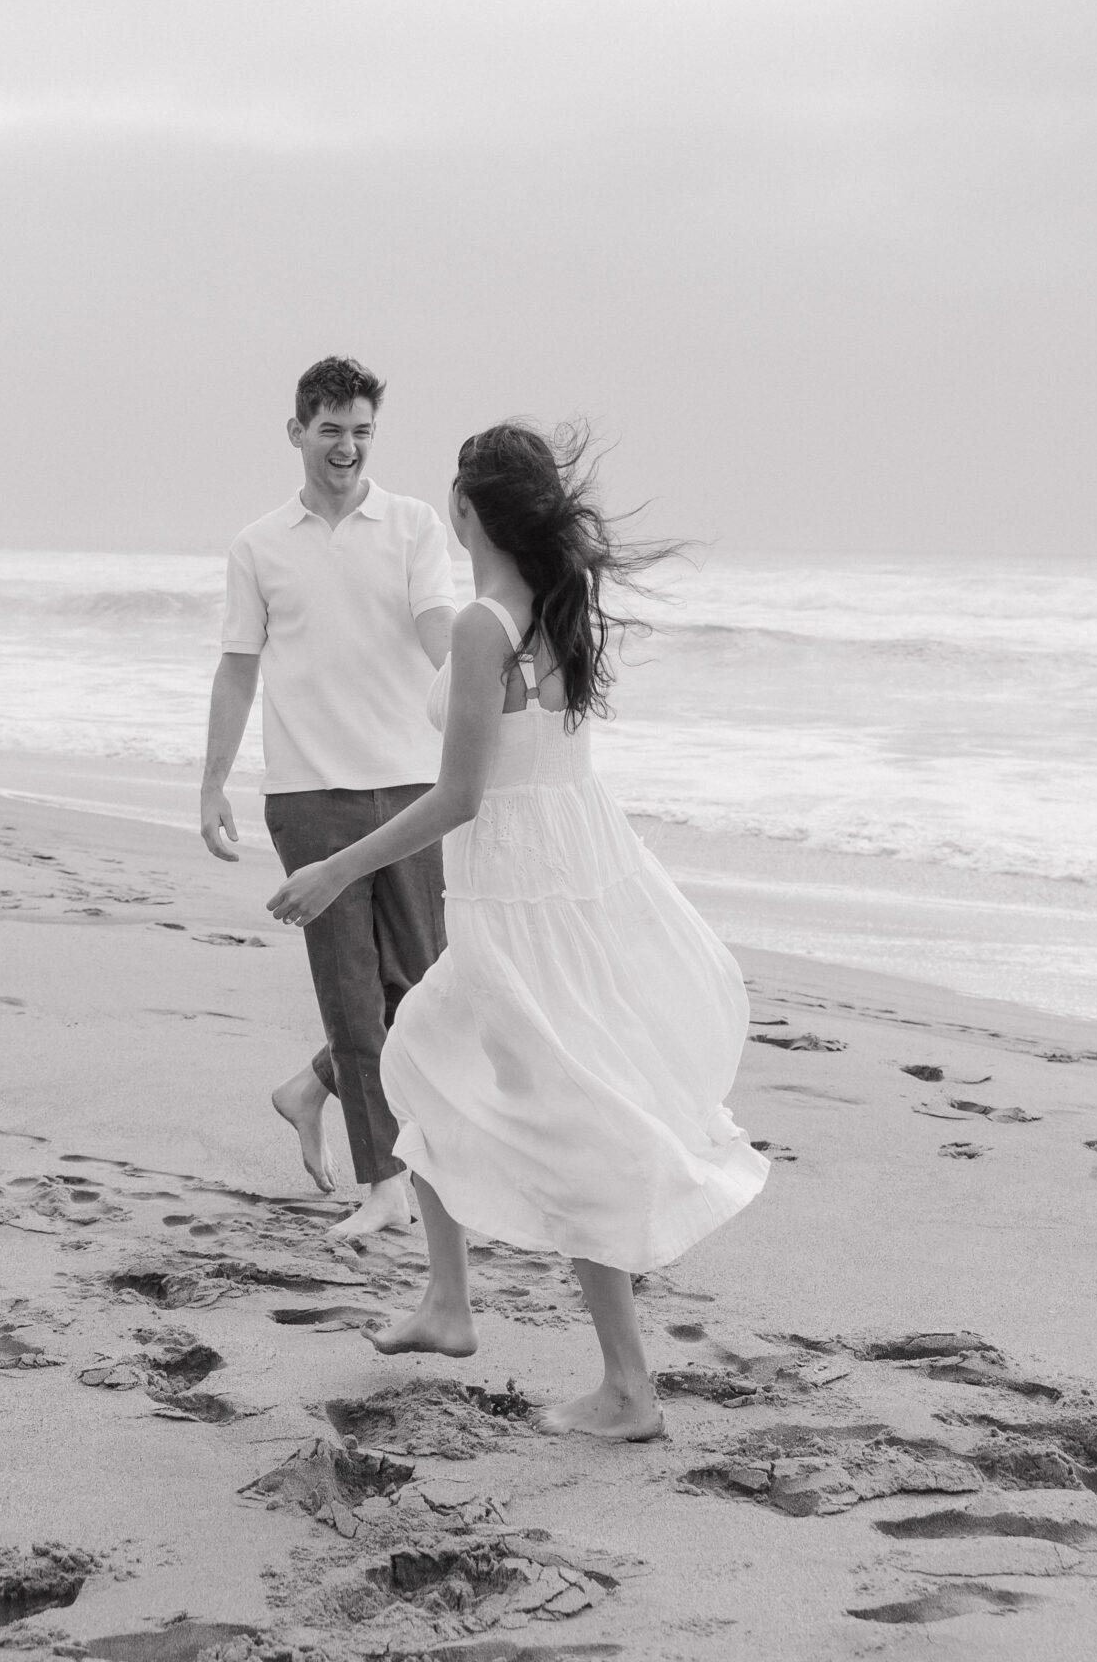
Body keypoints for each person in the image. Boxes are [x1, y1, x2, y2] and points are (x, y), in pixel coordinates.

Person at [267, 419, 768, 1438]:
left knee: (557, 1115)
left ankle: (626, 1386)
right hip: (579, 879)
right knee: (426, 1062)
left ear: (463, 510)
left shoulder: (483, 626)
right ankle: (449, 1304)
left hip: (515, 901)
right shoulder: (559, 608)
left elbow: (458, 796)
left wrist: (334, 869)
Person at [201, 354, 458, 1244]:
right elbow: (237, 667)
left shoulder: (415, 526)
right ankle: (382, 1184)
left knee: (419, 991)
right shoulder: (258, 544)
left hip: (412, 785)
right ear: (297, 432)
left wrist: (481, 690)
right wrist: (213, 782)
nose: (346, 447)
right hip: (309, 793)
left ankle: (311, 1086)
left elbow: (436, 627)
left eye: (361, 432)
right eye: (330, 431)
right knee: (353, 995)